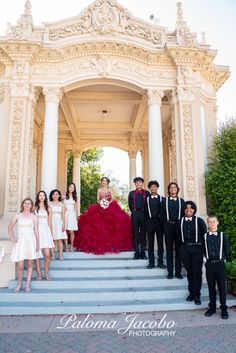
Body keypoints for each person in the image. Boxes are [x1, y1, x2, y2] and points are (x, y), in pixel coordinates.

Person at [78, 177, 132, 254]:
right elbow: (97, 200)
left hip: (110, 206)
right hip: (101, 206)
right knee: (98, 226)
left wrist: (107, 203)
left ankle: (111, 245)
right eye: (103, 180)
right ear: (101, 182)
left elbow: (113, 198)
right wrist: (102, 203)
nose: (104, 182)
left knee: (112, 225)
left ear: (107, 182)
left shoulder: (110, 189)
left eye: (105, 181)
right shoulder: (99, 190)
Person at [8, 198, 40, 293]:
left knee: (30, 264)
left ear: (31, 205)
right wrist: (12, 238)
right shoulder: (17, 216)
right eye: (25, 203)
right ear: (23, 205)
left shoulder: (34, 217)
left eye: (29, 203)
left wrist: (38, 243)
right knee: (21, 266)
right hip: (21, 242)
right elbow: (9, 228)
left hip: (31, 241)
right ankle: (19, 285)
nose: (27, 205)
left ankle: (27, 285)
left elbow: (36, 231)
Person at [180, 201, 207, 305]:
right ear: (184, 210)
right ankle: (191, 293)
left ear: (194, 210)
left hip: (197, 249)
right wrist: (181, 249)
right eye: (186, 208)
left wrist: (204, 252)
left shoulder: (199, 221)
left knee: (197, 272)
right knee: (190, 272)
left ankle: (197, 295)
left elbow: (205, 236)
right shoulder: (180, 221)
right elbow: (178, 237)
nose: (188, 210)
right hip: (185, 249)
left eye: (191, 208)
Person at [203, 215, 230, 319]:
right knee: (211, 287)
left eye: (214, 221)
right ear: (208, 223)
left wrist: (222, 259)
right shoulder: (204, 236)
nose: (212, 223)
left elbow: (227, 250)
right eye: (209, 221)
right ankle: (212, 308)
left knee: (222, 287)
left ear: (217, 222)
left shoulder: (223, 235)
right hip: (209, 264)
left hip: (220, 264)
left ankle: (224, 309)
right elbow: (203, 250)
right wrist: (206, 260)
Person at [164, 182, 185, 279]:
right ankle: (170, 272)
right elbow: (162, 215)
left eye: (175, 187)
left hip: (178, 227)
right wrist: (165, 225)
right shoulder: (164, 201)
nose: (173, 189)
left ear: (177, 189)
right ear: (168, 190)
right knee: (169, 250)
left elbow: (184, 216)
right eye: (171, 187)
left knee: (179, 250)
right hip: (168, 226)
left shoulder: (182, 201)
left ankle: (178, 272)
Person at [145, 180, 166, 269]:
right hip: (150, 222)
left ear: (157, 188)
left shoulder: (162, 199)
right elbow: (145, 211)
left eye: (155, 186)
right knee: (150, 243)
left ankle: (160, 262)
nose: (153, 188)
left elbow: (165, 212)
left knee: (160, 243)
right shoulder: (147, 199)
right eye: (151, 187)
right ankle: (151, 263)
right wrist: (147, 221)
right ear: (149, 188)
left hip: (159, 223)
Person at [128, 177, 150, 260]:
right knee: (135, 233)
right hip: (135, 213)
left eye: (140, 182)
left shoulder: (147, 193)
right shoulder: (131, 193)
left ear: (142, 183)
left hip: (144, 214)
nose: (138, 184)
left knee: (143, 233)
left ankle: (143, 252)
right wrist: (134, 212)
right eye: (136, 182)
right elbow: (130, 205)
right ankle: (136, 252)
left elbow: (148, 204)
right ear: (135, 184)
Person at [34, 191, 55, 281]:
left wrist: (51, 234)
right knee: (37, 254)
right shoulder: (34, 208)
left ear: (45, 197)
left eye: (43, 195)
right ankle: (39, 273)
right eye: (40, 195)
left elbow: (50, 222)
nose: (41, 197)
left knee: (47, 255)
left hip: (46, 231)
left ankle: (46, 273)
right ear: (38, 197)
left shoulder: (48, 208)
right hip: (37, 231)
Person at [49, 189, 67, 260]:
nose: (55, 196)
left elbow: (63, 216)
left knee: (59, 239)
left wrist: (63, 225)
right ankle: (52, 255)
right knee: (52, 239)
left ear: (59, 195)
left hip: (59, 222)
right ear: (52, 196)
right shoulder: (49, 204)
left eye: (56, 194)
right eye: (53, 194)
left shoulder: (61, 204)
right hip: (52, 222)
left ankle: (61, 255)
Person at [64, 183, 78, 252]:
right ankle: (66, 247)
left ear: (74, 189)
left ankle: (72, 246)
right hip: (66, 214)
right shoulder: (64, 196)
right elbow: (62, 206)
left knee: (71, 231)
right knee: (66, 231)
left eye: (73, 187)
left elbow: (76, 208)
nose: (71, 188)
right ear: (68, 187)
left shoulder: (75, 197)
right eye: (70, 187)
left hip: (72, 214)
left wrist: (76, 217)